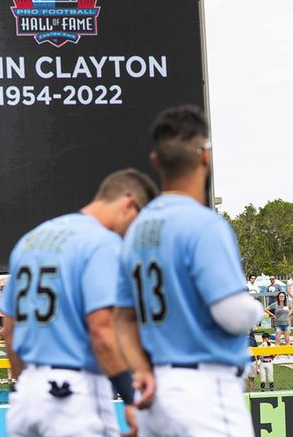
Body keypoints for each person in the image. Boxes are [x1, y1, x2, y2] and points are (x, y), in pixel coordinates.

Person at [115, 105, 263, 437]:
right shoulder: (203, 224)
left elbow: (121, 319)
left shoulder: (137, 229)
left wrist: (140, 370)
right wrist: (256, 307)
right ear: (205, 157)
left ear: (156, 161)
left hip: (155, 391)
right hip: (205, 391)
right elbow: (232, 314)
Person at [0, 168, 158, 437]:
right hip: (73, 394)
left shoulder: (31, 239)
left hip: (25, 396)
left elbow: (8, 331)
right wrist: (131, 399)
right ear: (129, 204)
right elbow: (101, 331)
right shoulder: (102, 243)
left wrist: (25, 382)